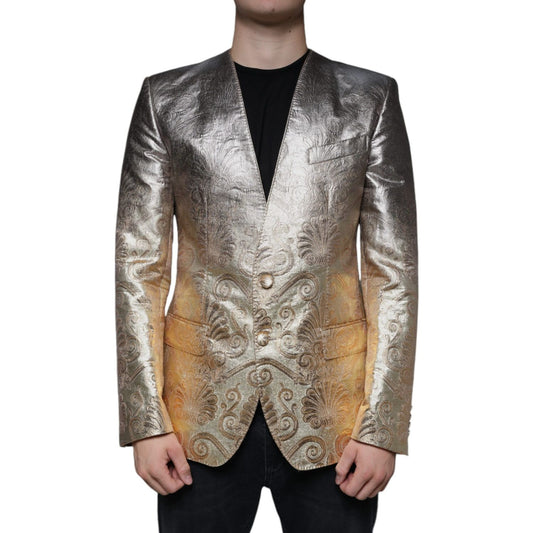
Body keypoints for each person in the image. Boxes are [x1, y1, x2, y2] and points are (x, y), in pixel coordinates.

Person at [114, 1, 418, 531]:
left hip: (335, 420)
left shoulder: (370, 99)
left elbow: (393, 271)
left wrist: (382, 426)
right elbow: (139, 267)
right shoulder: (165, 100)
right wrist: (145, 420)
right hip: (193, 419)